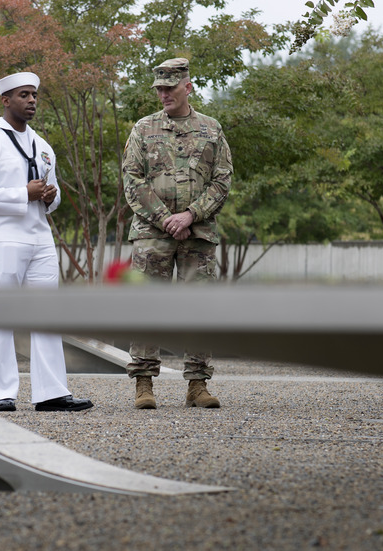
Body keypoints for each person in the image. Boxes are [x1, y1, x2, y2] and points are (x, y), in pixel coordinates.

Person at [0, 71, 93, 413]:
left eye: (34, 95)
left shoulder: (42, 144)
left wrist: (50, 195)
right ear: (5, 101)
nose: (32, 100)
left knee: (47, 313)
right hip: (2, 238)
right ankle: (1, 393)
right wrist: (23, 193)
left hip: (39, 237)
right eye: (24, 95)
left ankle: (51, 393)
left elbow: (54, 194)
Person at [121, 58, 233, 409]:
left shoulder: (211, 129)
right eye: (159, 89)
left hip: (197, 233)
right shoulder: (143, 128)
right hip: (151, 233)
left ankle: (197, 385)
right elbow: (132, 179)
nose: (164, 94)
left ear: (187, 86)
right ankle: (144, 385)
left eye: (170, 88)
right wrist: (165, 218)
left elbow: (222, 180)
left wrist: (190, 215)